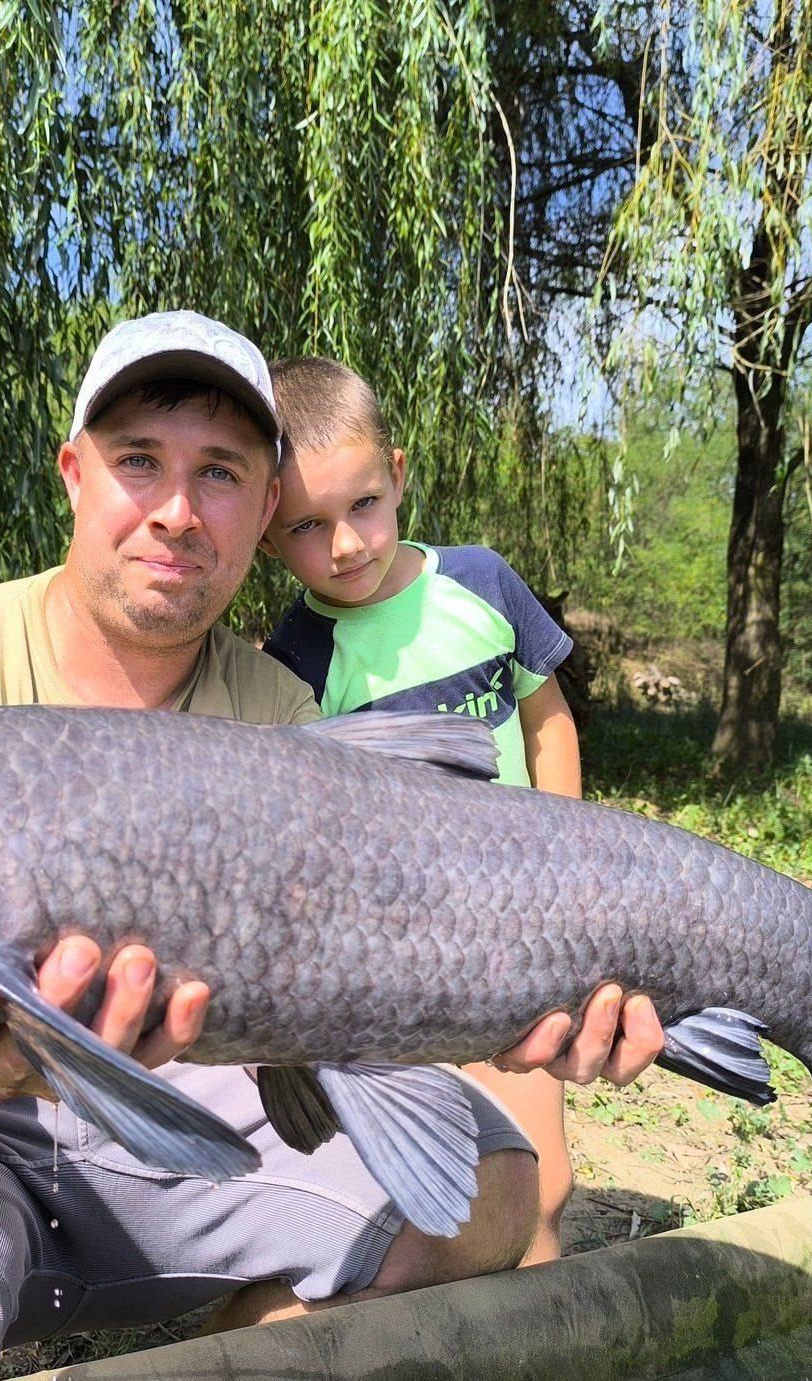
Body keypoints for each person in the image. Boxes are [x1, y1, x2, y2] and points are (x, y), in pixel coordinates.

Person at [0, 312, 665, 1381]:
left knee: (495, 1194)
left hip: (192, 1101)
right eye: (139, 460)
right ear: (74, 473)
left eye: (222, 474)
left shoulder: (283, 716)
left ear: (261, 511)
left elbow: (357, 1006)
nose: (176, 510)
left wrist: (521, 1010)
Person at [259, 355, 597, 1265]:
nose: (346, 544)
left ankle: (542, 1350)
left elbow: (547, 713)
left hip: (524, 928)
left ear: (399, 475)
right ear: (264, 532)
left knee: (543, 1180)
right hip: (395, 956)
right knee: (441, 1186)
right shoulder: (292, 655)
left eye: (364, 505)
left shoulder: (481, 583)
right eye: (306, 526)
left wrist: (568, 846)